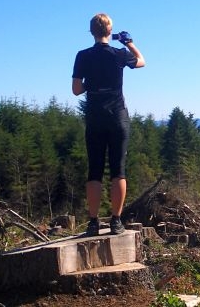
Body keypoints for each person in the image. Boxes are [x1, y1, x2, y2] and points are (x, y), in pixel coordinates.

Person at [72, 13, 145, 236]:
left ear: (91, 31)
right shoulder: (119, 54)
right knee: (118, 171)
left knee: (94, 171)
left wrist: (91, 84)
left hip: (95, 117)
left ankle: (93, 222)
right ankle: (115, 221)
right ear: (110, 31)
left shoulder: (82, 56)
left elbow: (76, 90)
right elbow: (141, 62)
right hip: (117, 117)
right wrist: (129, 43)